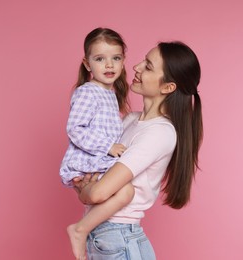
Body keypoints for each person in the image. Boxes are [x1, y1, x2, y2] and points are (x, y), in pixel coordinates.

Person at [73, 41, 203, 259]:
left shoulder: (159, 133)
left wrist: (85, 192)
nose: (137, 67)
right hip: (109, 238)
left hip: (118, 238)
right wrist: (88, 187)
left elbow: (97, 192)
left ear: (168, 87)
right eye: (143, 60)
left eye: (149, 66)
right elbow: (92, 170)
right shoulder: (131, 120)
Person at [59, 28, 135, 260]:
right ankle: (80, 230)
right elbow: (75, 128)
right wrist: (108, 147)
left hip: (98, 162)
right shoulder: (88, 91)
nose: (109, 65)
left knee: (123, 190)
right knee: (125, 191)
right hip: (87, 162)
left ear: (123, 61)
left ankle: (86, 230)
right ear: (87, 64)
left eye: (116, 58)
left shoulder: (109, 93)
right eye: (100, 59)